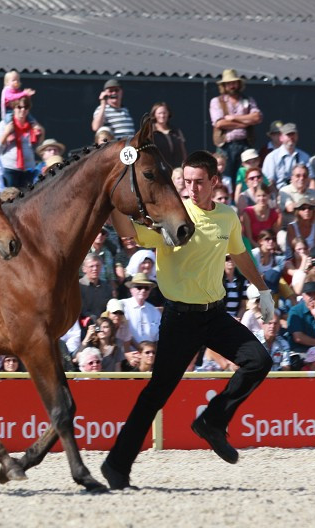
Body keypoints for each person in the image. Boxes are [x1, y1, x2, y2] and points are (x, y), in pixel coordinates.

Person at [102, 150, 274, 489]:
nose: (191, 189)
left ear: (214, 182)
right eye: (186, 182)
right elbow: (133, 233)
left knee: (258, 361)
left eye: (198, 182)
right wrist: (111, 202)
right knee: (155, 395)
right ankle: (116, 466)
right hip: (179, 320)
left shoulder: (227, 217)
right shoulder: (172, 214)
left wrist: (263, 290)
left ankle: (211, 422)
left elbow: (239, 253)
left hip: (215, 315)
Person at [210, 69, 263, 179]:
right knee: (225, 177)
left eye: (234, 83)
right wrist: (244, 124)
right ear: (224, 86)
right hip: (225, 145)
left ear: (238, 84)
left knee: (246, 176)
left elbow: (257, 117)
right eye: (228, 83)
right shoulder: (217, 101)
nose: (232, 86)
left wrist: (234, 117)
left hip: (245, 143)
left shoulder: (248, 100)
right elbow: (220, 123)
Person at [0, 98, 44, 188]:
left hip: (28, 170)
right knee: (10, 199)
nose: (22, 110)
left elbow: (37, 147)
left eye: (25, 107)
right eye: (19, 107)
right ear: (14, 108)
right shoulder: (5, 124)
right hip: (9, 169)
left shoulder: (32, 125)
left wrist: (40, 133)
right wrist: (6, 133)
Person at [262, 123, 312, 191]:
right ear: (281, 138)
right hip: (279, 194)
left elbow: (311, 180)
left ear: (297, 136)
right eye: (288, 135)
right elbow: (268, 182)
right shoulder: (271, 157)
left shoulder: (305, 157)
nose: (291, 137)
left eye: (293, 134)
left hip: (301, 194)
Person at [150, 102, 187, 167]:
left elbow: (183, 150)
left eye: (164, 113)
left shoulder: (176, 131)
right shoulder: (151, 132)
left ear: (168, 114)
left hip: (176, 170)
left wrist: (185, 164)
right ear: (154, 115)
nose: (162, 116)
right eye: (159, 113)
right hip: (159, 170)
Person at [79, 253, 113, 322]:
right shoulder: (79, 287)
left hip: (104, 325)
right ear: (84, 269)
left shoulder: (107, 287)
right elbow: (81, 311)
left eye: (97, 266)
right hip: (83, 325)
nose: (95, 269)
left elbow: (110, 309)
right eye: (91, 266)